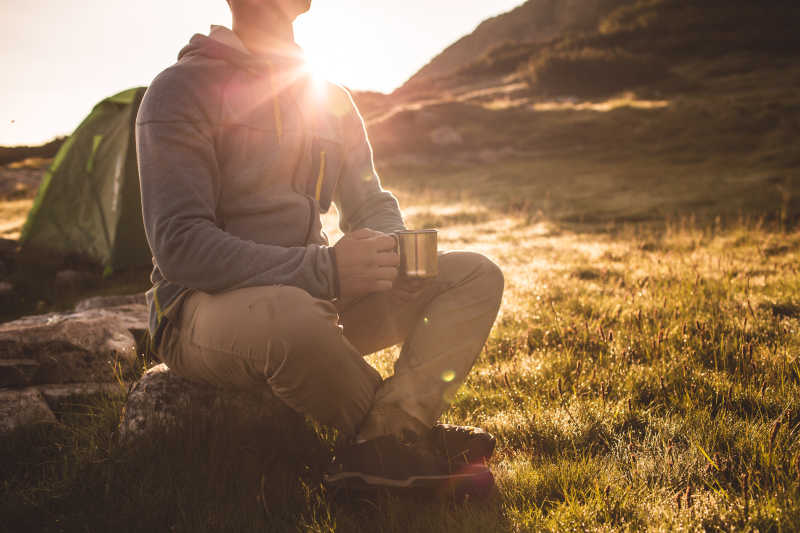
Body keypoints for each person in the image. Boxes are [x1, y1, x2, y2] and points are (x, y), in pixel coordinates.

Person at [136, 0, 504, 490]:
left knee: (476, 274)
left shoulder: (327, 95)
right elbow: (181, 246)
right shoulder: (178, 91)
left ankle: (390, 437)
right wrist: (326, 271)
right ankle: (408, 445)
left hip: (315, 301)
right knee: (291, 317)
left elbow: (369, 201)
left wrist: (390, 249)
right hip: (197, 312)